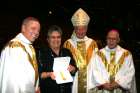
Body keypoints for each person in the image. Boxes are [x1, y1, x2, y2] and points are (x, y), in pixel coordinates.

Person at [0, 17, 41, 93]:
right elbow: (18, 81)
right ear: (23, 28)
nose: (36, 33)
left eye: (38, 30)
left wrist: (36, 87)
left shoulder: (28, 45)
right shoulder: (14, 47)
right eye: (33, 28)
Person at [63, 8, 98, 93]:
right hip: (73, 83)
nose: (81, 31)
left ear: (87, 28)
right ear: (74, 29)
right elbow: (63, 66)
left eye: (83, 28)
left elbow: (98, 64)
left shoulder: (92, 43)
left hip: (90, 83)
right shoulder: (68, 44)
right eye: (78, 29)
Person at [38, 25, 77, 93]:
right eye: (53, 37)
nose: (56, 40)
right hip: (49, 90)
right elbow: (38, 74)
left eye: (58, 37)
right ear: (48, 39)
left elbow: (75, 69)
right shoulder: (41, 53)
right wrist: (49, 74)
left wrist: (72, 69)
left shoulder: (67, 52)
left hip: (66, 90)